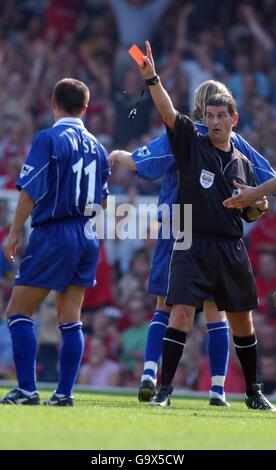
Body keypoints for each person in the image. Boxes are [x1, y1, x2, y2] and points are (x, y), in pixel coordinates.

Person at [109, 80, 276, 406]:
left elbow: (146, 163)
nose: (213, 121)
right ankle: (199, 389)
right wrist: (153, 80)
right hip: (192, 237)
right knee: (202, 314)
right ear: (204, 112)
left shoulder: (238, 152)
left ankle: (156, 374)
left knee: (171, 305)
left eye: (220, 116)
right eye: (209, 115)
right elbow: (168, 113)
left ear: (232, 117)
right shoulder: (190, 139)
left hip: (202, 234)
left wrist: (255, 197)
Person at [0, 78, 110, 406]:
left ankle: (27, 390)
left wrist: (15, 231)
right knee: (70, 317)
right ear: (85, 108)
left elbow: (30, 189)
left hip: (54, 233)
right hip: (87, 235)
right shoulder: (99, 147)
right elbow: (102, 202)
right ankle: (64, 394)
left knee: (18, 311)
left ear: (53, 102)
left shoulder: (48, 138)